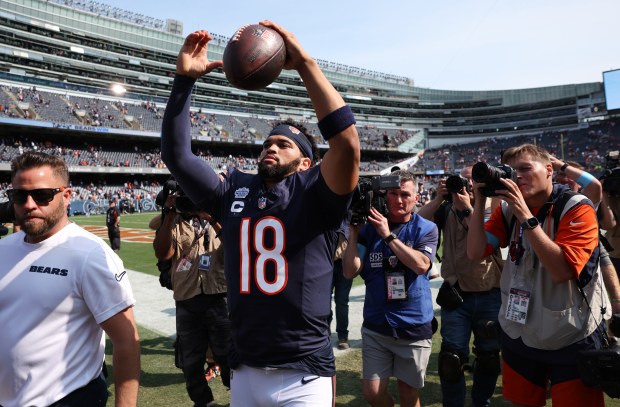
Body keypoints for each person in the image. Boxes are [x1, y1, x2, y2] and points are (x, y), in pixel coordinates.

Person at [160, 21, 360, 406]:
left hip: (304, 371)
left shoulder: (319, 192)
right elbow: (178, 157)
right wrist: (183, 82)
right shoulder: (235, 188)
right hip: (246, 367)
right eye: (268, 142)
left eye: (284, 144)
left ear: (306, 162)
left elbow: (347, 145)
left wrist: (305, 64)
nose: (271, 148)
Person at [466, 144, 610, 407]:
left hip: (570, 335)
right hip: (520, 333)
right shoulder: (507, 210)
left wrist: (524, 215)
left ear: (549, 170)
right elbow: (475, 251)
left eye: (525, 168)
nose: (517, 177)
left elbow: (562, 271)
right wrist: (479, 202)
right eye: (511, 171)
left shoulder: (577, 207)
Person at [0, 151, 140, 407]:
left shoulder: (89, 254)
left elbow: (126, 341)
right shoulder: (4, 248)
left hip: (68, 399)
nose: (30, 204)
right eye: (19, 196)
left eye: (42, 195)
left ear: (66, 196)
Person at [342, 170, 438, 407]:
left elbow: (421, 266)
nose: (398, 200)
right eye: (393, 193)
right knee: (373, 394)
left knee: (409, 395)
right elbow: (349, 271)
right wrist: (353, 232)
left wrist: (387, 236)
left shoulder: (426, 228)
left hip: (413, 325)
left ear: (416, 198)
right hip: (377, 324)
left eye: (405, 194)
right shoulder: (368, 228)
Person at [417, 167, 503, 407]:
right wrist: (438, 199)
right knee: (450, 359)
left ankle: (480, 402)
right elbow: (416, 223)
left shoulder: (494, 209)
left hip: (489, 293)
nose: (465, 185)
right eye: (461, 180)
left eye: (471, 181)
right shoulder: (446, 209)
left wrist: (467, 209)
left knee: (488, 358)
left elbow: (488, 241)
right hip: (456, 295)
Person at [152, 190, 231, 407]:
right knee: (191, 361)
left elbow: (234, 247)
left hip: (219, 294)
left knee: (228, 356)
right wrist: (168, 214)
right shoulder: (175, 220)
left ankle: (239, 395)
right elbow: (163, 253)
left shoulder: (220, 215)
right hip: (187, 297)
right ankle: (204, 401)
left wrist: (211, 217)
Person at [551, 157, 620, 319]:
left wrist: (561, 165)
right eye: (559, 175)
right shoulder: (552, 199)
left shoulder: (584, 199)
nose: (563, 178)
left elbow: (594, 186)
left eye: (568, 175)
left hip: (586, 263)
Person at [330, 217, 353, 350]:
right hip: (327, 262)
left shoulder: (349, 218)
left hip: (344, 263)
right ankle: (324, 334)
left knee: (342, 302)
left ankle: (343, 336)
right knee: (323, 301)